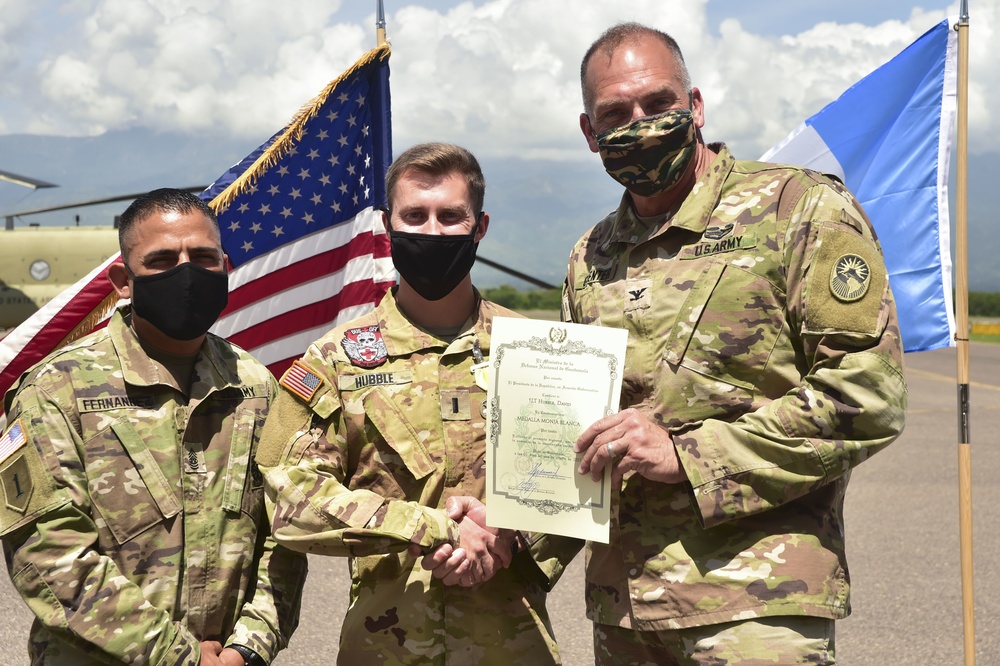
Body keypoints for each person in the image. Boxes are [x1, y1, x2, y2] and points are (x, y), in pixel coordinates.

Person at [563, 23, 907, 665]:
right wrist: (496, 526)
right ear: (589, 132)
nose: (639, 124)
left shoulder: (798, 210)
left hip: (756, 608)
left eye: (657, 104)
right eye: (614, 113)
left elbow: (867, 395)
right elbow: (574, 432)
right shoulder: (592, 257)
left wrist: (691, 457)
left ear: (694, 106)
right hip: (627, 615)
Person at [254, 142, 564, 664]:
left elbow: (585, 480)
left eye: (451, 217)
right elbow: (291, 500)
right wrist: (431, 526)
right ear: (387, 225)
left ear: (480, 226)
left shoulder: (539, 350)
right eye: (415, 216)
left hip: (516, 646)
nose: (433, 232)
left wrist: (511, 537)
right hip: (384, 647)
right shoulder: (336, 360)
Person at [0, 188, 306, 666]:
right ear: (124, 280)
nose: (187, 273)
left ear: (224, 266)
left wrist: (249, 647)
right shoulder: (56, 390)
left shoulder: (255, 386)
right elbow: (51, 556)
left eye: (203, 257)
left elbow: (283, 537)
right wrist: (181, 658)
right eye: (163, 260)